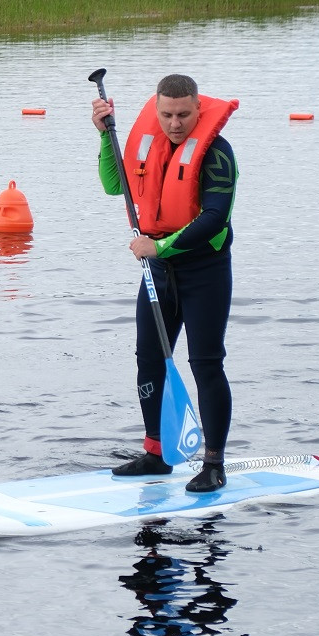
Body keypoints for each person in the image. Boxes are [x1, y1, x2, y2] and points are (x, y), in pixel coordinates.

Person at [92, 74, 239, 494]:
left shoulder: (217, 154)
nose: (175, 123)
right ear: (157, 111)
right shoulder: (146, 146)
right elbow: (114, 185)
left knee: (205, 363)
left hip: (204, 271)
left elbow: (215, 217)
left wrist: (161, 248)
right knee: (149, 359)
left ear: (198, 109)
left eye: (184, 114)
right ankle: (156, 454)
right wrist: (106, 137)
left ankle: (213, 464)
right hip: (157, 271)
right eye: (167, 115)